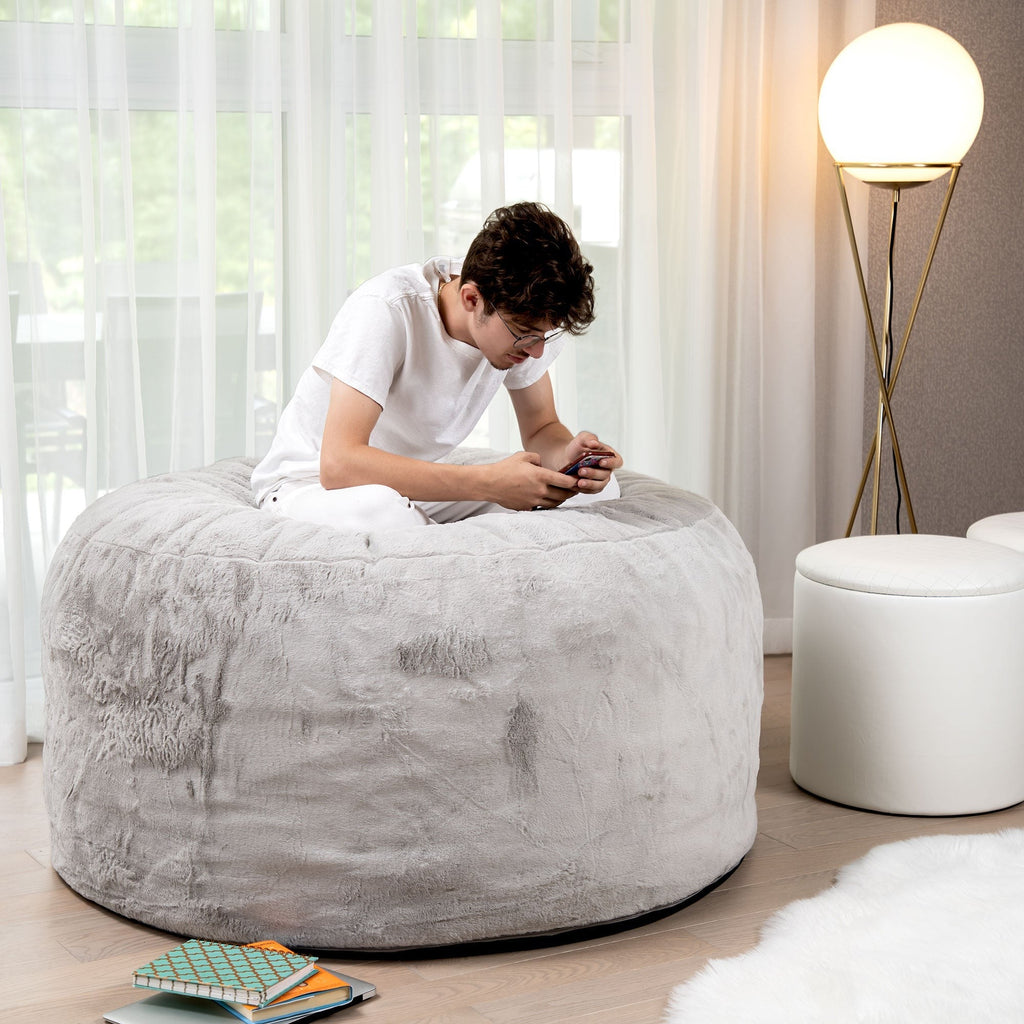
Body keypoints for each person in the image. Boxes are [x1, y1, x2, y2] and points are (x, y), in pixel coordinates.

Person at [251, 201, 622, 531]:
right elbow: (339, 465)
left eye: (547, 335)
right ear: (472, 298)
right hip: (312, 486)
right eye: (526, 335)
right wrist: (487, 483)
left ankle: (438, 534)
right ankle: (449, 543)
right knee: (384, 513)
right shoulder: (386, 309)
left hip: (413, 489)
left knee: (595, 496)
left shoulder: (518, 328)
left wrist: (571, 456)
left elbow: (542, 427)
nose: (537, 352)